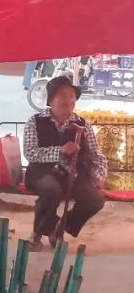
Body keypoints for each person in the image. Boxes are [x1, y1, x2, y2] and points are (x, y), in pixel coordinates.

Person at [23, 75, 107, 248]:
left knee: (95, 199)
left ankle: (59, 228)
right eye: (62, 95)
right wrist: (59, 151)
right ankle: (37, 234)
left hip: (73, 173)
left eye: (71, 96)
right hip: (43, 173)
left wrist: (98, 174)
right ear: (50, 100)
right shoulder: (35, 121)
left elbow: (96, 155)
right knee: (51, 191)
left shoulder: (83, 125)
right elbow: (30, 152)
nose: (68, 100)